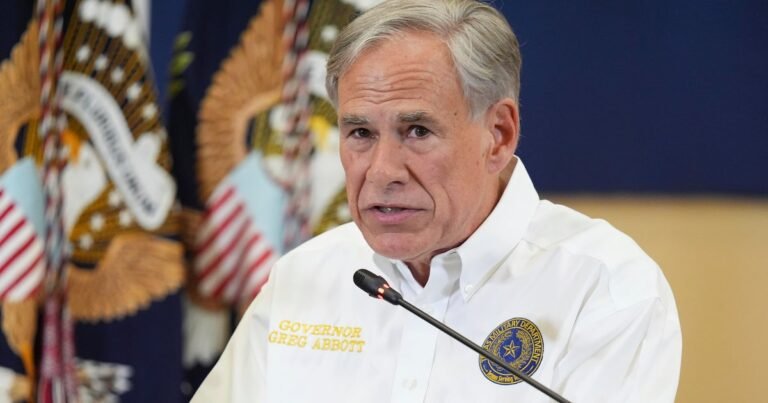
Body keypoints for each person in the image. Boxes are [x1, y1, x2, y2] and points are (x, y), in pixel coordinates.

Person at [192, 1, 682, 402]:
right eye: (360, 133)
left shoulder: (604, 289)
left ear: (499, 134)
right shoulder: (304, 277)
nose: (381, 171)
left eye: (417, 131)